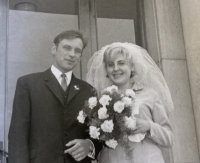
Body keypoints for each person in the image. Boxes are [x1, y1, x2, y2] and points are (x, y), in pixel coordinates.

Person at [8, 30, 102, 163]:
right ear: (54, 49)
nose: (72, 54)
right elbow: (18, 135)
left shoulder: (88, 90)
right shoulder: (28, 84)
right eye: (67, 48)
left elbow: (98, 134)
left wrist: (88, 144)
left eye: (77, 51)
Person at [86, 42, 174, 163]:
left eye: (121, 63)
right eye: (111, 65)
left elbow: (169, 139)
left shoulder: (150, 94)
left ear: (132, 66)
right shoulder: (101, 100)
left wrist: (148, 126)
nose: (116, 68)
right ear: (106, 70)